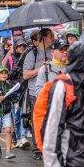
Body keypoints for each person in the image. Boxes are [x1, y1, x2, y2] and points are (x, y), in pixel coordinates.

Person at [34, 38, 69, 167]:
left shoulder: (73, 69)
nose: (65, 52)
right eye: (61, 49)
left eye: (66, 49)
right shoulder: (45, 70)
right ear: (53, 51)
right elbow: (37, 92)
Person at [23, 28, 55, 159]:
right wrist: (42, 68)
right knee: (38, 121)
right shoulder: (32, 54)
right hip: (35, 93)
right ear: (44, 37)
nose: (53, 38)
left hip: (52, 92)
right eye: (50, 36)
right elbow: (25, 75)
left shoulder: (53, 52)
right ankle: (37, 148)